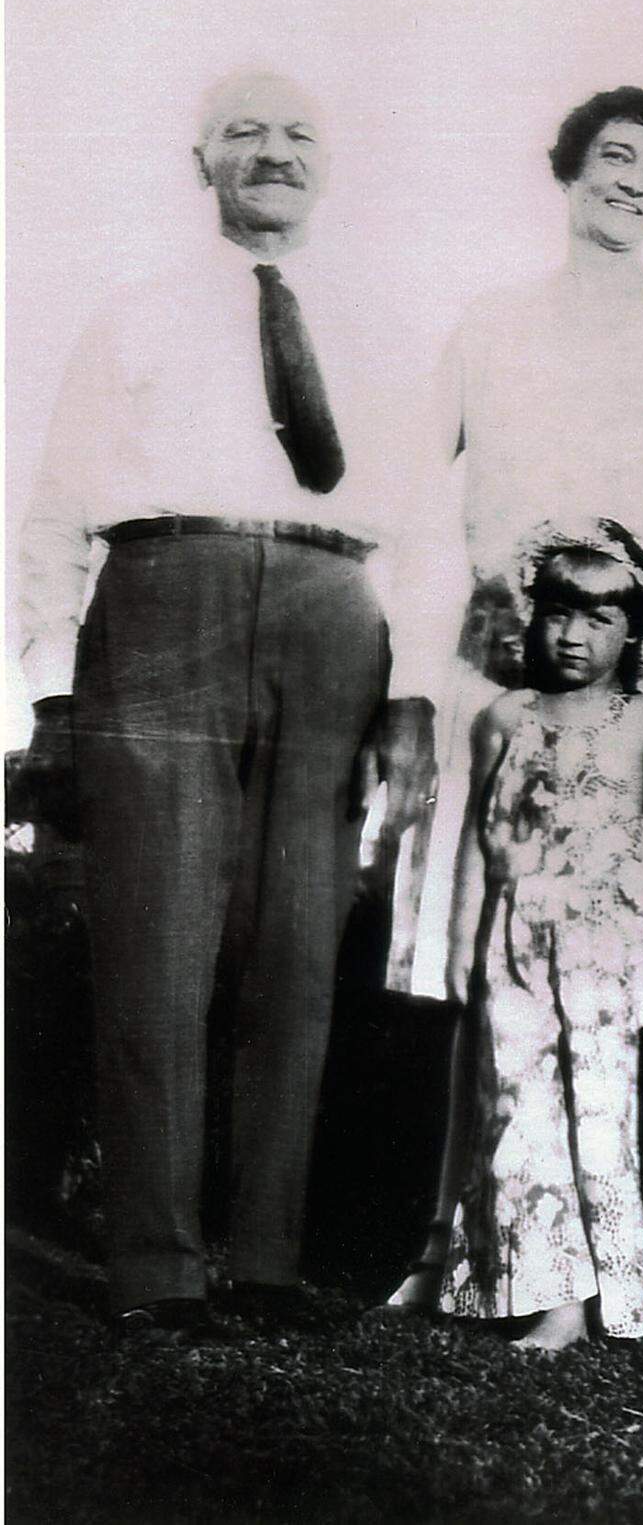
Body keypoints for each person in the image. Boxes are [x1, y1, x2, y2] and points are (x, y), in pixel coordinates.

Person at [16, 69, 440, 1336]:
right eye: (244, 132)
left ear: (332, 164)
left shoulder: (382, 329)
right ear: (196, 159)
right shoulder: (133, 316)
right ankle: (158, 1266)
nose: (274, 151)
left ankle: (264, 1259)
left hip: (331, 609)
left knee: (298, 950)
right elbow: (52, 516)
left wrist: (410, 689)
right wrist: (48, 696)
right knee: (156, 943)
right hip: (165, 600)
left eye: (300, 132)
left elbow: (422, 524)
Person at [385, 87, 643, 1310]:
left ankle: (588, 1263)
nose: (629, 179)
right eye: (610, 156)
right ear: (568, 170)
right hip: (502, 681)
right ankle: (448, 1245)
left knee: (602, 976)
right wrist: (443, 641)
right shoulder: (493, 321)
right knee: (490, 957)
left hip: (626, 693)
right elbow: (422, 497)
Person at [436, 520, 643, 1349]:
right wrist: (463, 945)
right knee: (517, 1105)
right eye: (557, 613)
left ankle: (601, 1297)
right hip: (515, 939)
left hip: (607, 947)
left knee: (601, 1110)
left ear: (634, 634)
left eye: (598, 618)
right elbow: (483, 838)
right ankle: (543, 1292)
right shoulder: (504, 715)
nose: (572, 635)